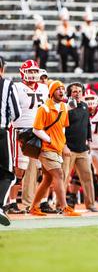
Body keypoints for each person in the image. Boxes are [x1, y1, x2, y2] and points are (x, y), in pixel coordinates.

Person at [29, 80, 80, 217]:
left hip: (56, 148)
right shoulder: (44, 108)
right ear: (52, 92)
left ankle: (33, 207)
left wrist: (62, 144)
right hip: (47, 148)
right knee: (59, 175)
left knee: (47, 179)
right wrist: (51, 140)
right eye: (58, 89)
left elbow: (62, 127)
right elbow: (36, 129)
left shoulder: (63, 107)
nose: (61, 91)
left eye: (63, 89)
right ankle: (64, 207)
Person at [4, 60, 47, 215]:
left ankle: (42, 201)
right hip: (20, 131)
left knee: (44, 167)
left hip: (39, 131)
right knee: (19, 168)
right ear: (23, 72)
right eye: (30, 71)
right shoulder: (16, 87)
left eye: (35, 71)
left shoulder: (44, 87)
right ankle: (12, 202)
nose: (33, 74)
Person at [62, 83, 97, 212]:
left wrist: (89, 141)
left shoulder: (84, 106)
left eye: (79, 91)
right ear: (69, 93)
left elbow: (87, 124)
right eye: (74, 91)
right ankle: (60, 205)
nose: (77, 93)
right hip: (69, 148)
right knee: (64, 177)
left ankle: (91, 204)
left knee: (87, 177)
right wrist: (64, 145)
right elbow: (61, 127)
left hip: (82, 149)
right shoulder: (65, 107)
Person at [0, 56, 21, 226]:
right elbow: (16, 112)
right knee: (7, 174)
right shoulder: (7, 84)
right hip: (1, 132)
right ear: (2, 69)